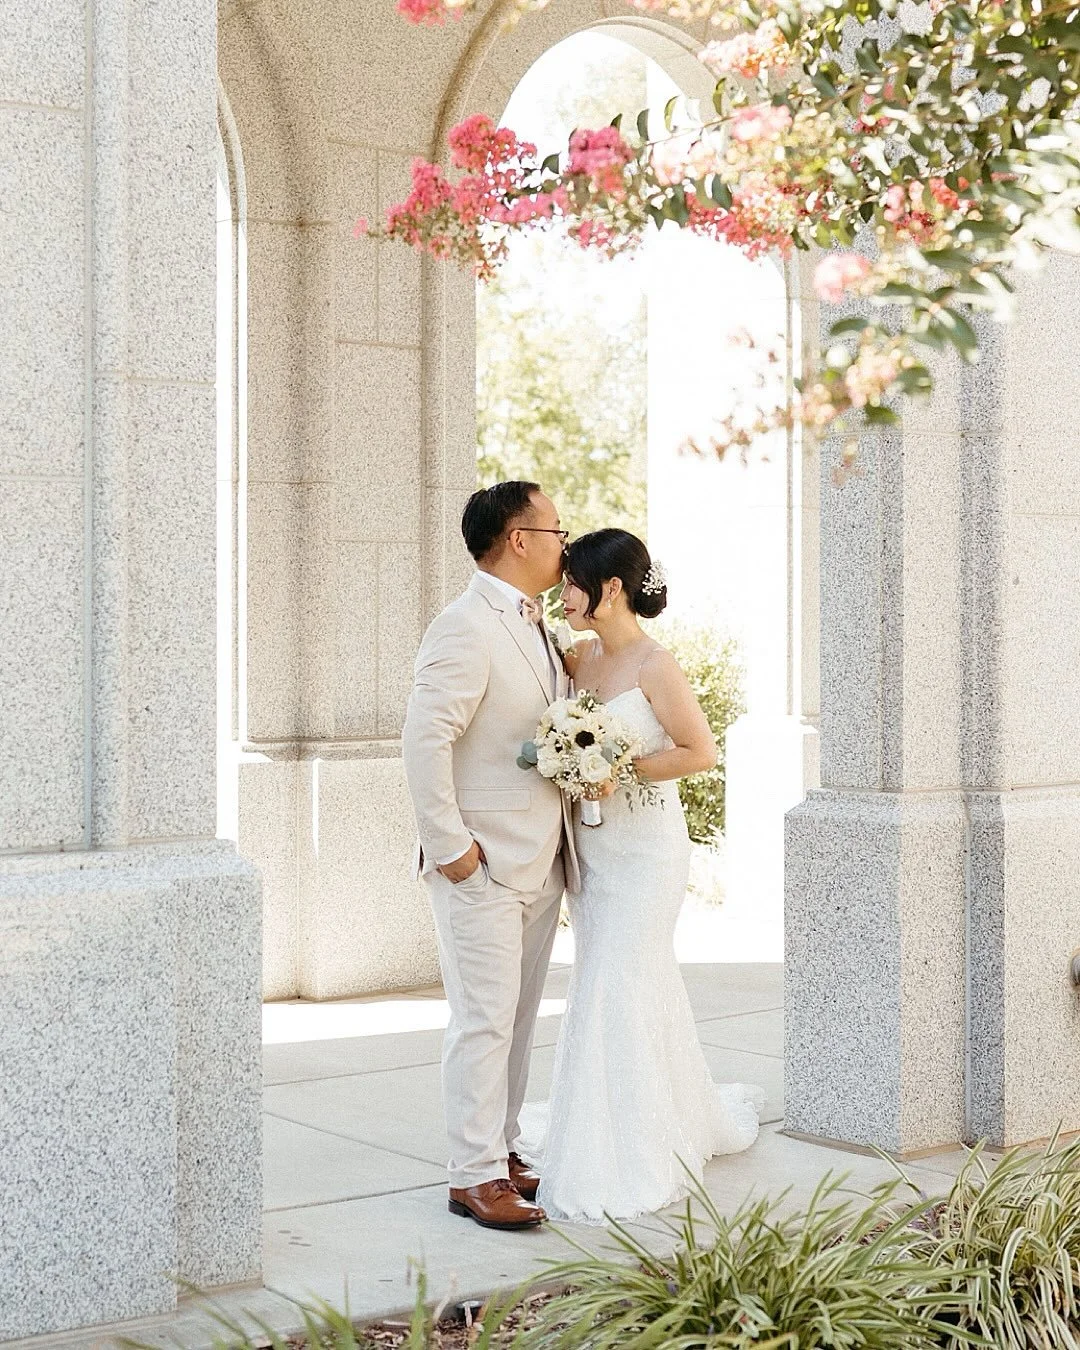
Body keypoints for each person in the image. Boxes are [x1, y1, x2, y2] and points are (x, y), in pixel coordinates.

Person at [517, 527, 763, 1224]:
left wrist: (614, 769)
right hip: (596, 853)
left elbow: (700, 752)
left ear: (611, 588)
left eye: (570, 583)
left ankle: (626, 1148)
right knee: (616, 979)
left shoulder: (656, 665)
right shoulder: (579, 657)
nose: (561, 594)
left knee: (616, 981)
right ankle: (661, 1110)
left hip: (649, 853)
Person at [402, 481, 578, 1231]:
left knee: (518, 1017)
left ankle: (501, 1151)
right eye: (555, 528)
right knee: (482, 1020)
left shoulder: (537, 625)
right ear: (517, 539)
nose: (563, 542)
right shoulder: (464, 625)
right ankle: (471, 1175)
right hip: (482, 862)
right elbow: (423, 739)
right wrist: (453, 851)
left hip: (539, 858)